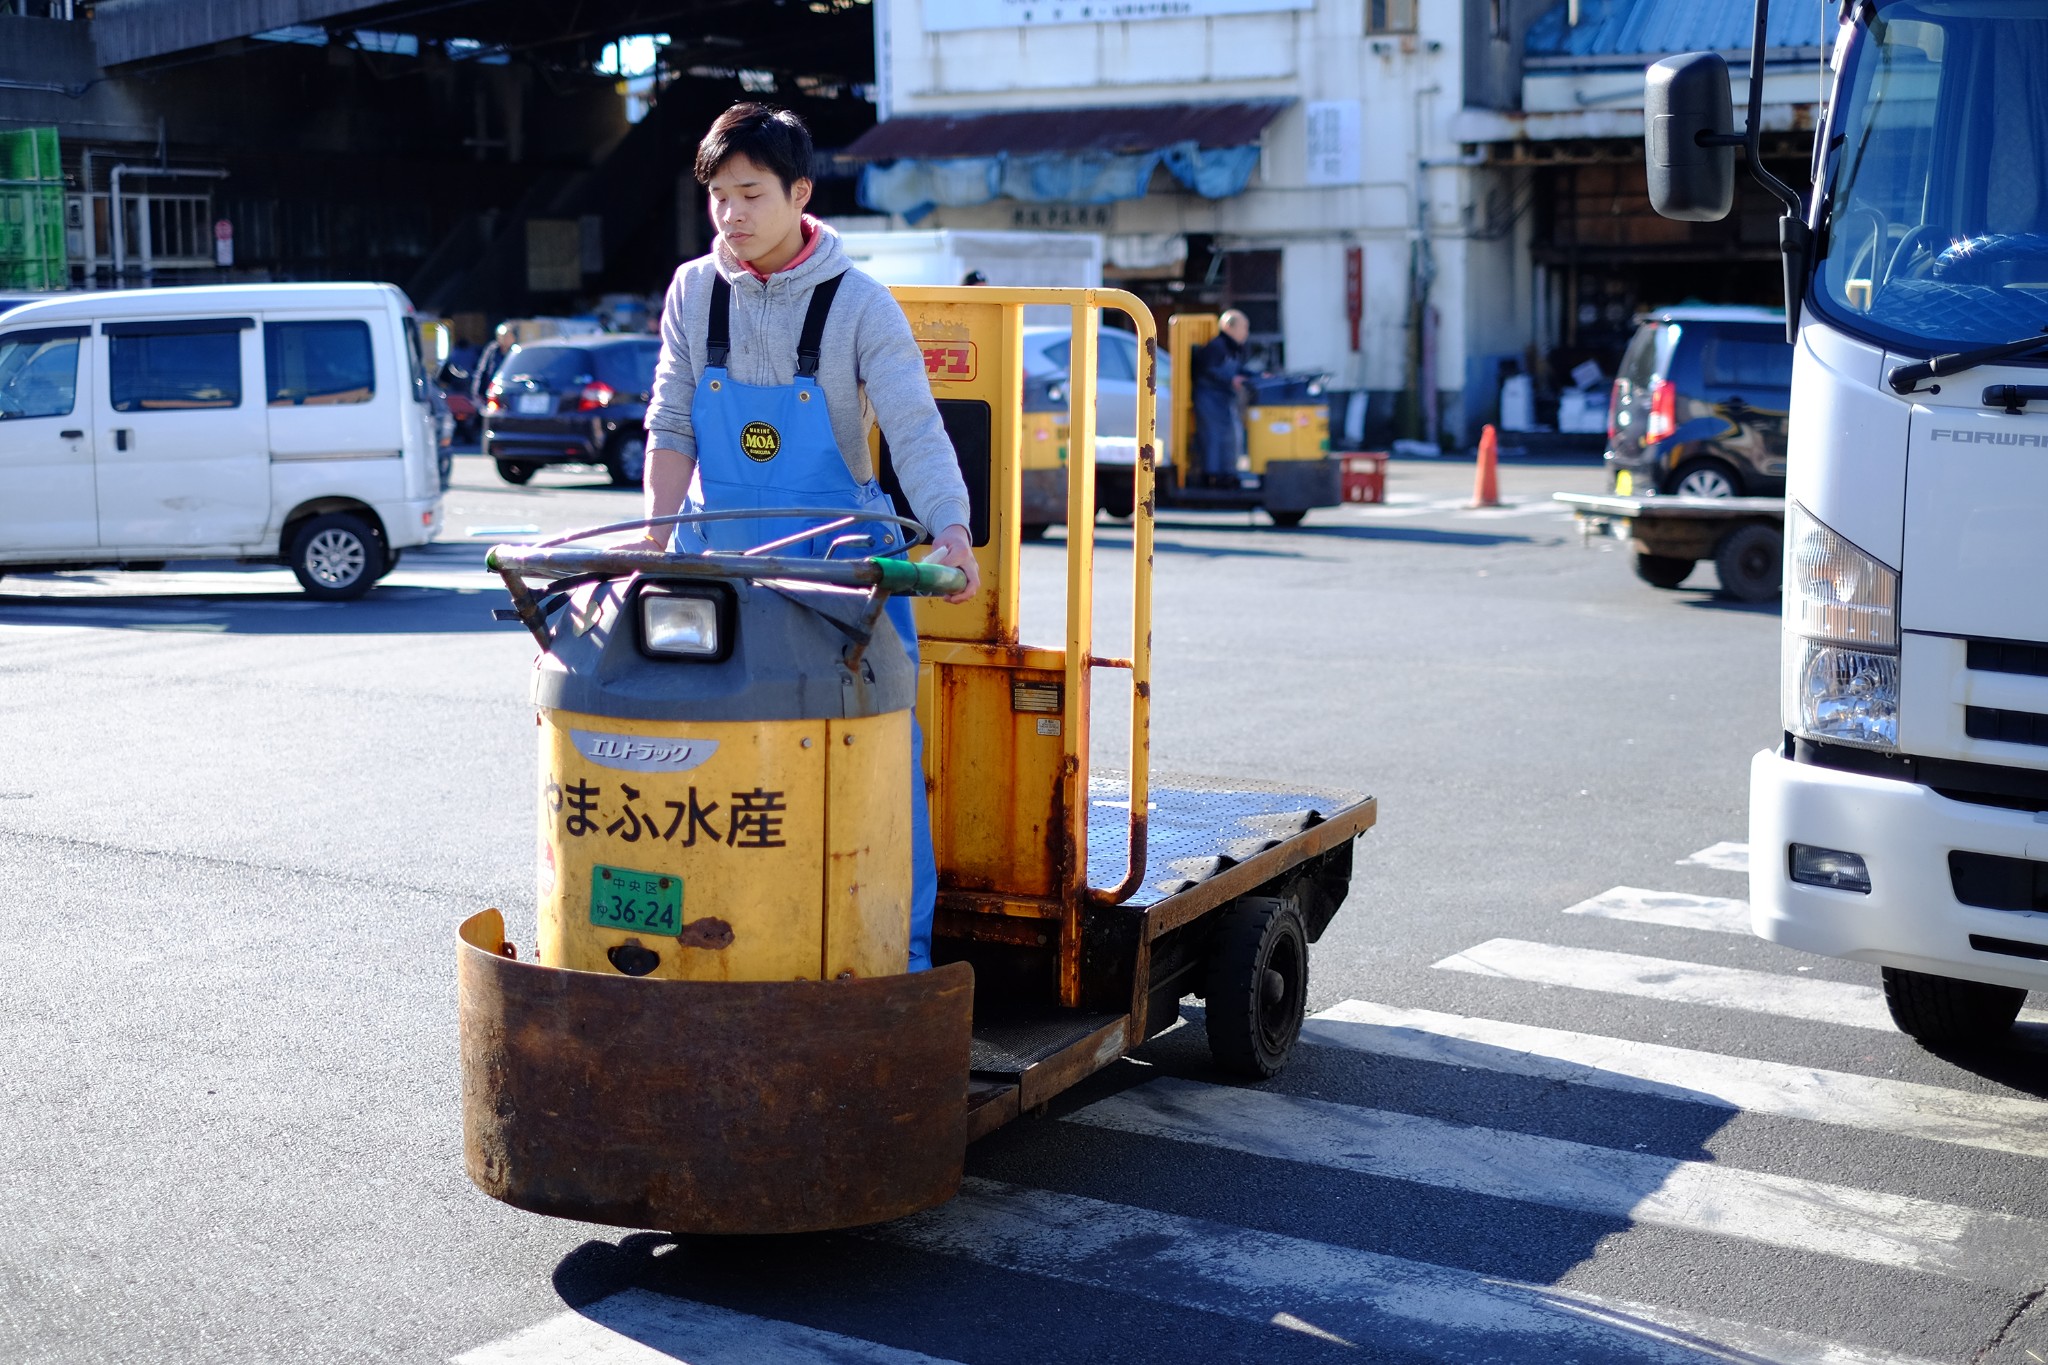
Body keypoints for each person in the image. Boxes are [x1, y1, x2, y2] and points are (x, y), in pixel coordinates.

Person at [639, 102, 981, 973]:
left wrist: (951, 529)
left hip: (841, 579)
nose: (733, 215)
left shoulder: (860, 304)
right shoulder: (692, 290)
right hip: (723, 574)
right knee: (713, 768)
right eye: (719, 196)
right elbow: (672, 421)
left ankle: (891, 963)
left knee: (868, 772)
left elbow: (912, 424)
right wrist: (654, 536)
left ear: (800, 193)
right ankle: (720, 949)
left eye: (751, 193)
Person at [1190, 309, 1251, 488]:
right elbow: (1210, 370)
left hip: (1222, 399)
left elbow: (1238, 370)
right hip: (1210, 399)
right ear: (1229, 327)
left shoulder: (1231, 348)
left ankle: (1226, 473)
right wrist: (1232, 379)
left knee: (1229, 435)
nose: (1246, 333)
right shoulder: (1217, 347)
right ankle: (1214, 476)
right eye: (1243, 327)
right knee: (1215, 436)